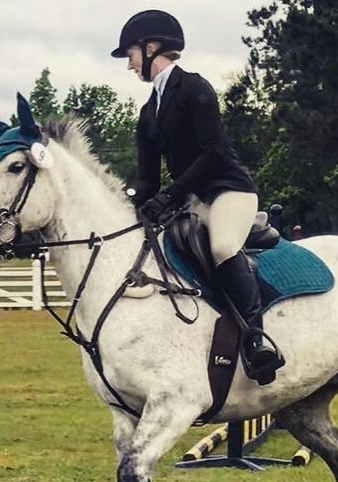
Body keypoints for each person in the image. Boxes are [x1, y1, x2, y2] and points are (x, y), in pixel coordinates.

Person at [111, 10, 283, 384]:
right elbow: (146, 180)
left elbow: (214, 153)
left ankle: (258, 341)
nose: (129, 65)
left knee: (222, 247)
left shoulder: (194, 88)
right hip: (190, 200)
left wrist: (170, 194)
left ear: (151, 47)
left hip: (228, 191)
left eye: (131, 55)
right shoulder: (147, 113)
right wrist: (126, 201)